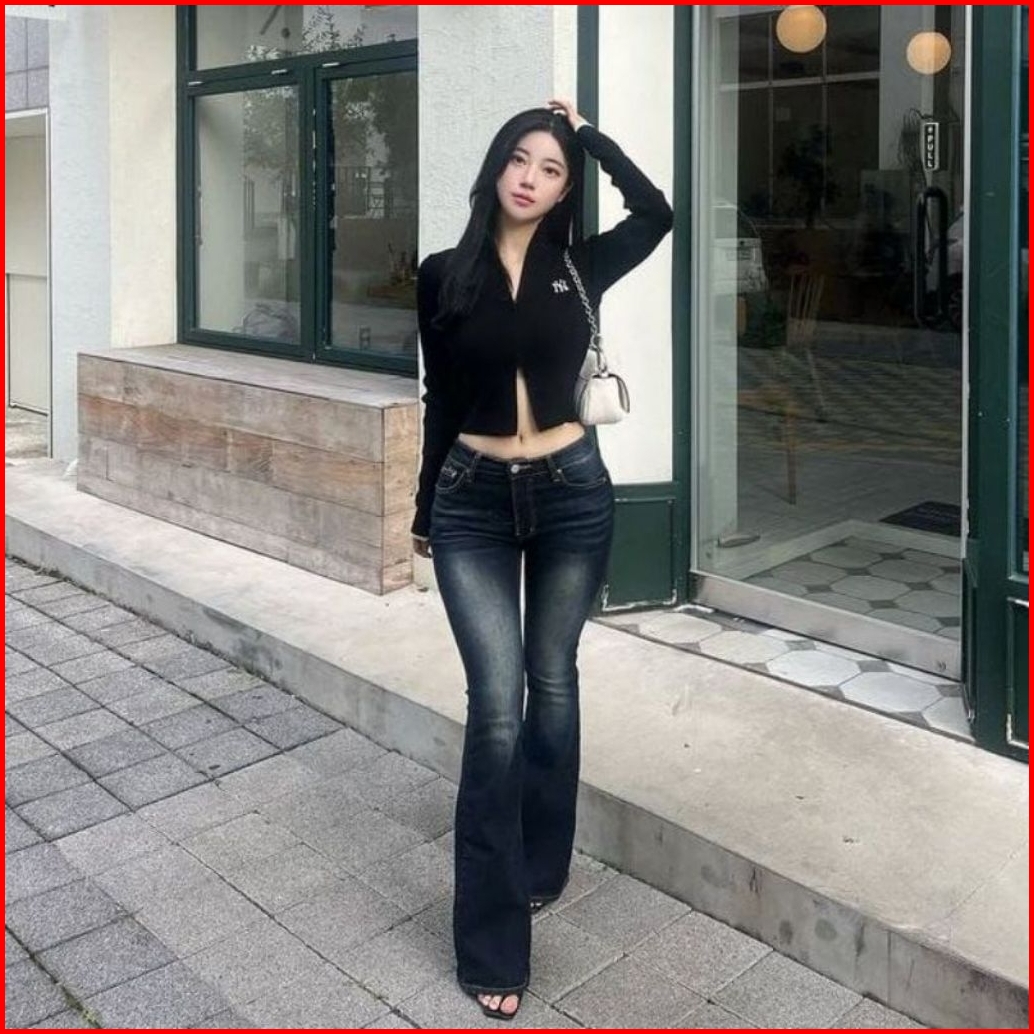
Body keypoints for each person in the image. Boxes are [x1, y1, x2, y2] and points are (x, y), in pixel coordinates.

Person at [411, 98, 672, 1021]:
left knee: (551, 681)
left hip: (571, 492)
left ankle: (539, 863)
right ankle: (491, 945)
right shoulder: (443, 273)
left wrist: (589, 135)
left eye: (551, 168)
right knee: (496, 708)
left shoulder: (579, 266)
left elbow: (657, 213)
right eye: (520, 159)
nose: (531, 177)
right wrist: (424, 511)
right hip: (472, 501)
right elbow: (441, 400)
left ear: (565, 188)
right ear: (495, 168)